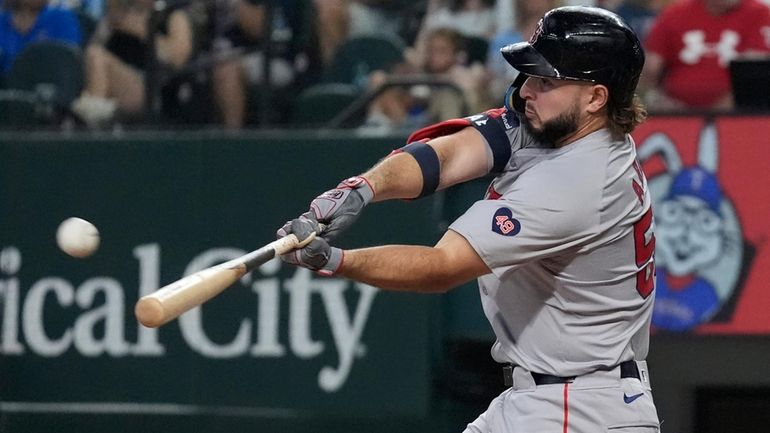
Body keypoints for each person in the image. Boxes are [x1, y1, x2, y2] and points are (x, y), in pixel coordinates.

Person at [277, 6, 661, 433]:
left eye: (547, 81)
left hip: (580, 408)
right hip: (553, 397)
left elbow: (441, 267)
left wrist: (334, 260)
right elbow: (449, 154)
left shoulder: (578, 181)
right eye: (532, 75)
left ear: (595, 97)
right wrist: (361, 188)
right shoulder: (562, 127)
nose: (528, 90)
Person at [70, 0, 194, 127]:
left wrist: (142, 30)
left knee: (97, 57)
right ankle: (91, 112)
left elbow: (178, 58)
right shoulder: (119, 15)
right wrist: (109, 25)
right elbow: (94, 49)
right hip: (114, 82)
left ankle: (92, 119)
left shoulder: (172, 15)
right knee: (94, 56)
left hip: (154, 87)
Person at [640, 0, 770, 112]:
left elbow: (755, 76)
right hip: (674, 112)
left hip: (735, 115)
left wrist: (712, 115)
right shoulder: (675, 13)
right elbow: (650, 68)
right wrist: (655, 98)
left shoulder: (760, 14)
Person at [0, 0, 81, 78]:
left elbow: (69, 63)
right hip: (6, 87)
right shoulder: (2, 21)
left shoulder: (62, 19)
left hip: (50, 86)